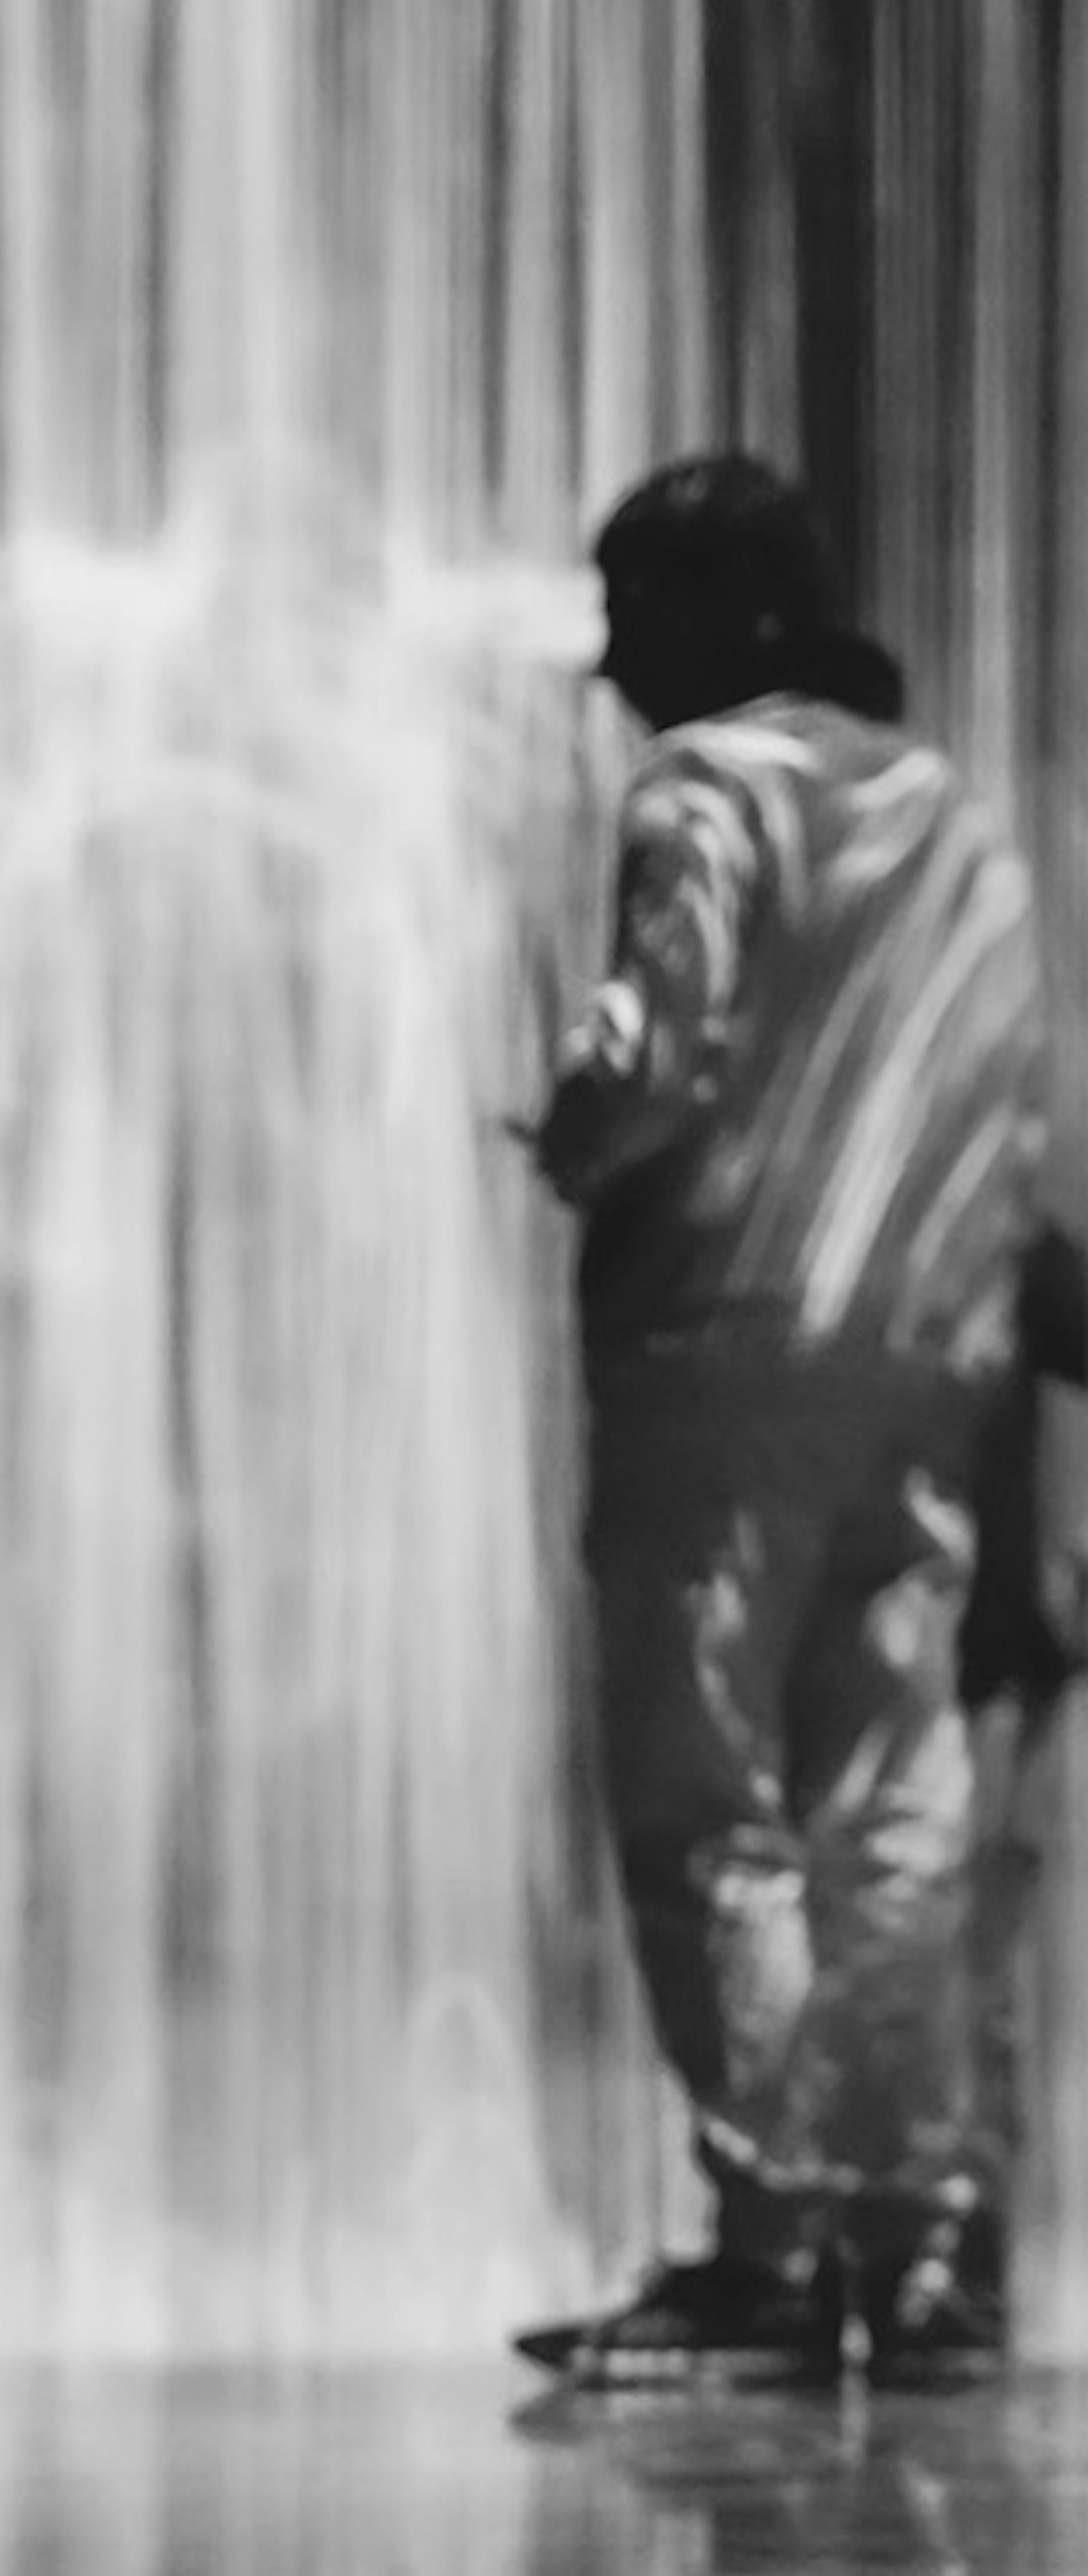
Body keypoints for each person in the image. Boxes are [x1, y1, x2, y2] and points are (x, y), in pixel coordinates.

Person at [519, 455, 1044, 2394]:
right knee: (894, 1805)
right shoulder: (957, 819)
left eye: (630, 606)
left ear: (728, 614)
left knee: (706, 1801)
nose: (601, 656)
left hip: (722, 1349)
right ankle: (918, 2247)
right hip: (928, 1363)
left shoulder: (709, 783)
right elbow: (1008, 1116)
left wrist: (569, 1130)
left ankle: (770, 2236)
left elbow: (662, 1043)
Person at [956, 1212, 1084, 2352]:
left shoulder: (1008, 1247)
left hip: (991, 1652)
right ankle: (951, 2234)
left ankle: (966, 2238)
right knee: (966, 1943)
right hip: (970, 1637)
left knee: (977, 1942)